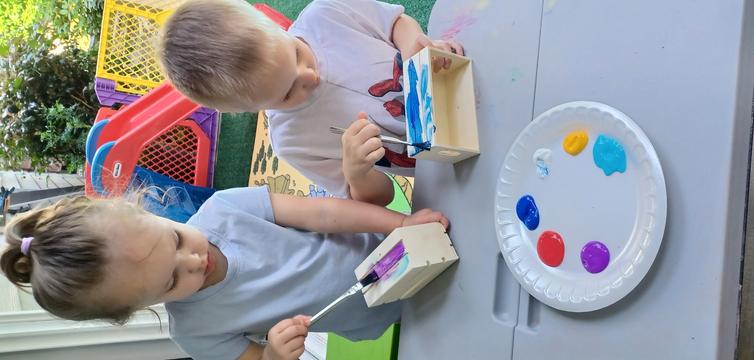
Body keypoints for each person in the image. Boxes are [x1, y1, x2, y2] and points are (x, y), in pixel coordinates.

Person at [0, 186, 449, 360]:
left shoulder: (224, 209)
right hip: (393, 318)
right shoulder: (195, 332)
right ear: (138, 308)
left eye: (175, 239)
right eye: (171, 281)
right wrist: (273, 355)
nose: (195, 262)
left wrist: (401, 224)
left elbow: (325, 213)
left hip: (400, 245)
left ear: (150, 210)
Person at [158, 0, 464, 205]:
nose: (311, 76)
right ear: (243, 111)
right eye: (289, 92)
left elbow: (397, 22)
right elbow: (381, 198)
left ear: (270, 22)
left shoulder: (327, 13)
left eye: (295, 53)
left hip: (461, 84)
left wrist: (415, 43)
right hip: (449, 170)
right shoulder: (293, 142)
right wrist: (356, 172)